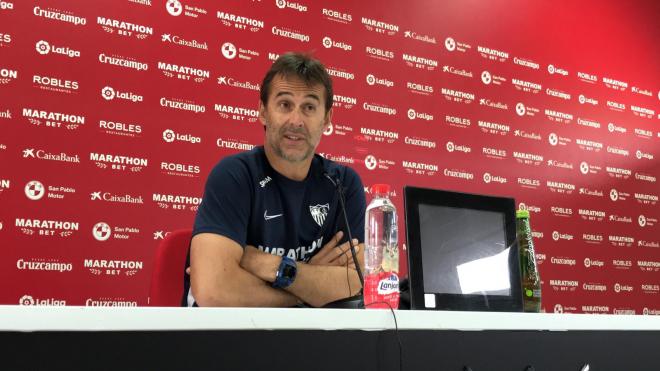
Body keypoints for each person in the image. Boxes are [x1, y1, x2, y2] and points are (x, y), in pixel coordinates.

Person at [182, 52, 366, 307]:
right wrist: (310, 287)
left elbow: (354, 284)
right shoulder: (233, 175)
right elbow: (215, 290)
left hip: (309, 342)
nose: (296, 120)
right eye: (284, 104)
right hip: (229, 338)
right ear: (263, 111)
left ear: (327, 119)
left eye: (309, 107)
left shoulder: (343, 184)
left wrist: (267, 265)